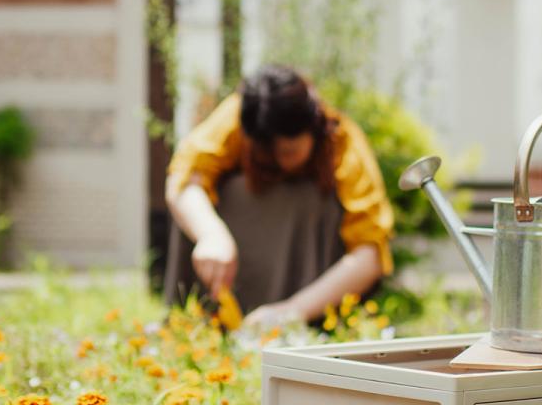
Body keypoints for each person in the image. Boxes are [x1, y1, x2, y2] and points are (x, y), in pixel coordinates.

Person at [165, 65, 394, 327]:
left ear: (313, 127)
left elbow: (370, 254)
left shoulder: (343, 142)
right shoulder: (239, 115)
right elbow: (183, 179)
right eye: (265, 153)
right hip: (234, 277)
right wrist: (211, 234)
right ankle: (200, 322)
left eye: (289, 151)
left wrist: (290, 312)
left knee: (312, 199)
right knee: (202, 203)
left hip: (310, 298)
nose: (278, 162)